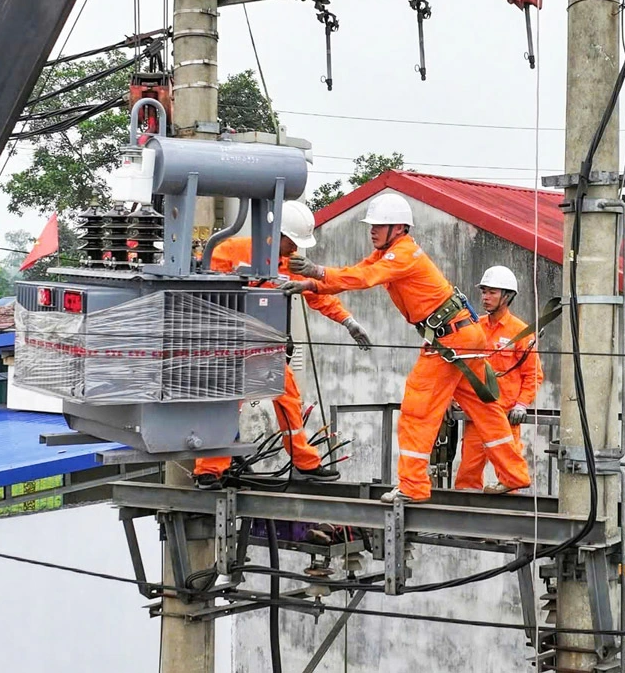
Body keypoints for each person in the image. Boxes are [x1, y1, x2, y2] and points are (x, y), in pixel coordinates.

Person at [286, 194, 531, 504]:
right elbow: (357, 270)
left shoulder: (402, 255)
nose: (372, 230)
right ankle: (514, 474)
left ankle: (413, 485)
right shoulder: (390, 252)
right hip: (462, 334)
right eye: (372, 225)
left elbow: (363, 278)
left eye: (379, 226)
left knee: (417, 412)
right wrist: (312, 285)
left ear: (399, 228)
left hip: (450, 339)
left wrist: (316, 272)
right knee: (485, 409)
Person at [193, 199, 371, 487]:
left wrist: (348, 321)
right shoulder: (228, 252)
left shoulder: (291, 265)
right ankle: (209, 471)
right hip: (229, 348)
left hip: (265, 349)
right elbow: (203, 291)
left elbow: (320, 297)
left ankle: (305, 464)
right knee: (225, 405)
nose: (296, 249)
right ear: (277, 234)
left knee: (288, 399)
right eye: (293, 242)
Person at [452, 266, 542, 492]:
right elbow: (458, 367)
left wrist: (522, 404)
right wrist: (451, 399)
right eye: (484, 291)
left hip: (505, 416)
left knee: (509, 478)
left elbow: (533, 374)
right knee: (467, 476)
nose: (485, 297)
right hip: (477, 413)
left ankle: (509, 522)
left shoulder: (520, 331)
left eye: (492, 292)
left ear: (507, 296)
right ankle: (465, 521)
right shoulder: (474, 327)